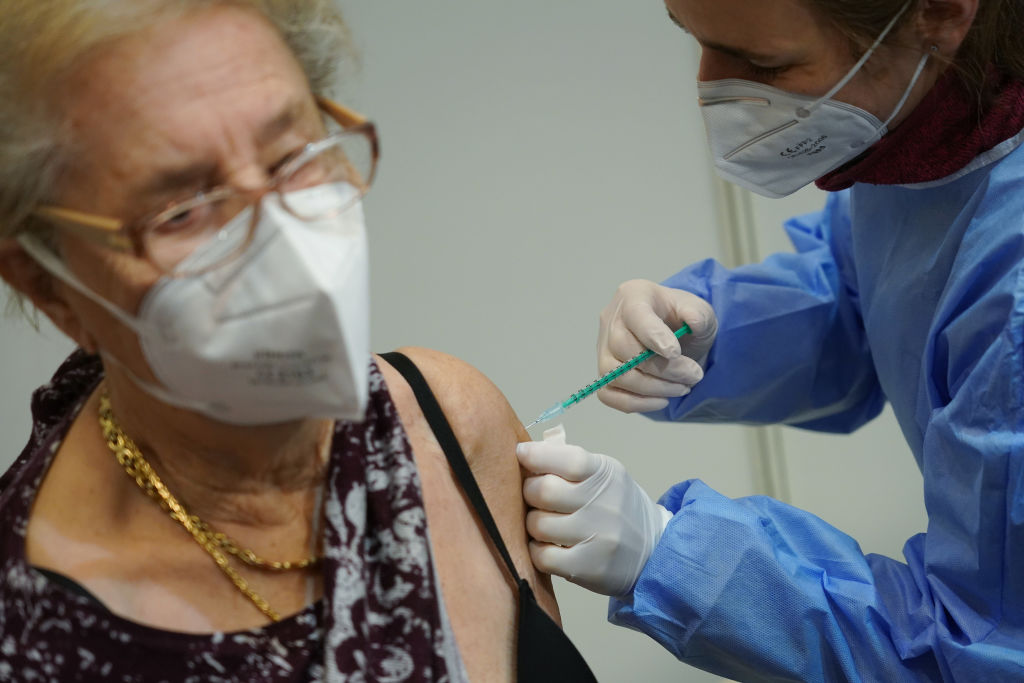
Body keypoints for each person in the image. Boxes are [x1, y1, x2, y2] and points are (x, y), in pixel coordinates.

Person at [0, 2, 596, 681]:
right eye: (183, 209)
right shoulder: (30, 635)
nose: (279, 236)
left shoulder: (449, 419)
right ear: (50, 286)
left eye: (291, 158)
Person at [516, 0, 1024, 680]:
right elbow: (862, 295)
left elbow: (979, 651)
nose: (714, 91)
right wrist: (708, 334)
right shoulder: (939, 127)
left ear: (939, 12)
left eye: (764, 64)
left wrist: (670, 553)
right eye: (693, 40)